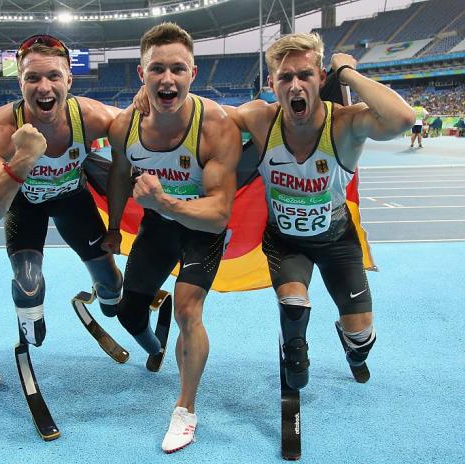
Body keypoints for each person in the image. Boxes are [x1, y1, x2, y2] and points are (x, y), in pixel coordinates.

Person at [220, 33, 414, 392]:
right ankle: (295, 348)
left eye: (305, 75)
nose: (295, 85)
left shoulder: (346, 123)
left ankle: (352, 344)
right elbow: (204, 120)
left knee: (362, 341)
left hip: (336, 241)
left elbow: (403, 118)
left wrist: (347, 72)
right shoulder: (259, 119)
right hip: (285, 241)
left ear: (321, 78)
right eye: (285, 77)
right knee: (294, 304)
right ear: (271, 84)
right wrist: (148, 100)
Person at [105, 23, 241, 453]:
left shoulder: (215, 126)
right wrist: (111, 229)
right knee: (127, 313)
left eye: (178, 69)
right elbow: (119, 175)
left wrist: (166, 204)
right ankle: (155, 344)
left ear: (193, 74)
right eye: (157, 69)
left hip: (201, 227)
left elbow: (219, 214)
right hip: (159, 228)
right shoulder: (124, 127)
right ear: (141, 74)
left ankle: (185, 409)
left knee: (188, 310)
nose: (168, 79)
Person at [0, 35, 124, 348]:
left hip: (73, 202)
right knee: (28, 283)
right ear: (19, 83)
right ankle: (29, 323)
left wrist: (146, 103)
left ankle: (107, 292)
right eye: (32, 77)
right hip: (25, 205)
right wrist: (23, 160)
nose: (43, 87)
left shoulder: (94, 118)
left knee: (112, 288)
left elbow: (149, 131)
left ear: (68, 79)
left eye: (54, 75)